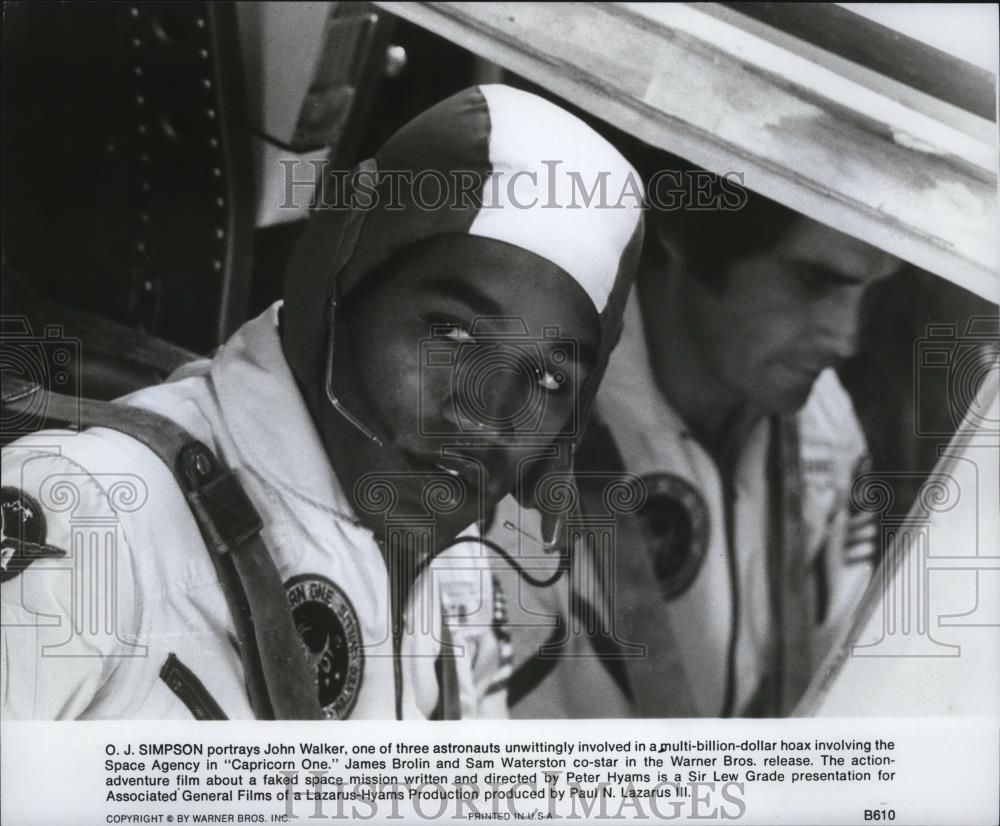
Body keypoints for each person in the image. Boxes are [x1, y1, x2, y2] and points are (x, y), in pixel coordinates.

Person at [0, 84, 644, 720]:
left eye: (551, 381)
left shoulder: (462, 576)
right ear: (336, 288)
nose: (488, 416)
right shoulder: (86, 513)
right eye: (452, 333)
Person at [503, 165, 903, 718]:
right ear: (687, 236)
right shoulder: (530, 433)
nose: (848, 336)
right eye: (813, 282)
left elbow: (843, 676)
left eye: (869, 291)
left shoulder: (823, 416)